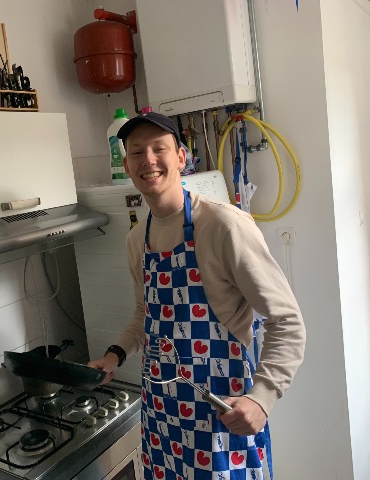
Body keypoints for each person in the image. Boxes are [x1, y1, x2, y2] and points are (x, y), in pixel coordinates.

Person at [88, 112, 305, 480]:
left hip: (220, 415)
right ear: (127, 165)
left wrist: (262, 398)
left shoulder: (224, 226)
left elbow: (286, 320)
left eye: (160, 149)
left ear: (181, 158)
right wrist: (114, 355)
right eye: (137, 152)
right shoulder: (136, 239)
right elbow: (146, 314)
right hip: (161, 416)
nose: (149, 160)